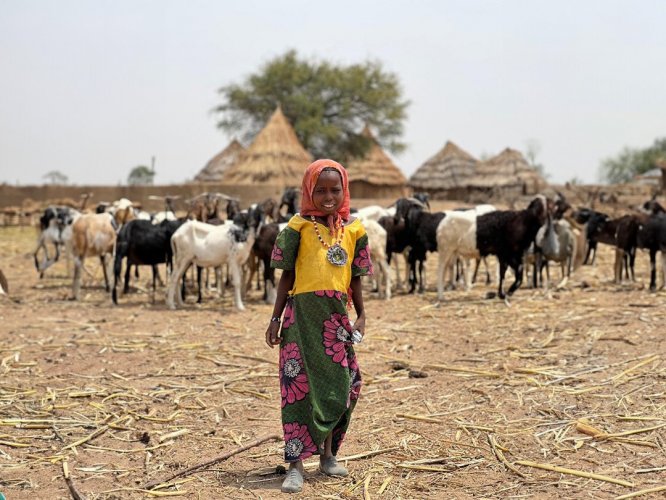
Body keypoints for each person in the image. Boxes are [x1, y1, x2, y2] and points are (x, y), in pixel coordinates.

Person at [266, 159, 373, 494]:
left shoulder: (354, 230)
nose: (328, 196)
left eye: (334, 189)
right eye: (321, 190)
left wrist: (363, 314)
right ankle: (295, 465)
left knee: (343, 386)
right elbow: (287, 277)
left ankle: (327, 456)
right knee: (297, 389)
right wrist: (275, 317)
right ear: (309, 190)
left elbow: (355, 279)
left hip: (336, 320)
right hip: (301, 319)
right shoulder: (297, 227)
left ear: (344, 190)